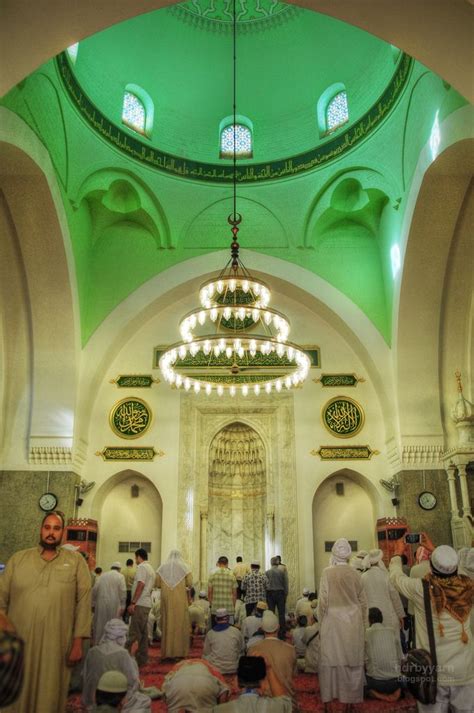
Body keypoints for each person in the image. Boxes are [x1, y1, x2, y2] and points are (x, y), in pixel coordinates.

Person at [0, 511, 91, 713]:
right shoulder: (18, 560)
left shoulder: (76, 562)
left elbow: (84, 604)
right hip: (17, 645)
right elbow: (1, 601)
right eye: (47, 527)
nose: (51, 533)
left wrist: (77, 643)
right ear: (41, 530)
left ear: (63, 532)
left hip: (56, 646)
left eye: (56, 528)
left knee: (48, 696)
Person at [390, 537, 474, 713]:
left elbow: (396, 578)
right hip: (466, 669)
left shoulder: (422, 589)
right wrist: (436, 549)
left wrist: (397, 554)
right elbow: (457, 569)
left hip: (434, 671)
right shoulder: (468, 585)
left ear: (431, 567)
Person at [318, 538, 367, 713]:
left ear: (334, 553)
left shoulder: (327, 573)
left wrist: (320, 622)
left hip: (332, 622)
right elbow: (363, 603)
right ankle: (348, 706)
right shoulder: (356, 574)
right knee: (351, 663)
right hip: (353, 623)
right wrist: (363, 624)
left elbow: (322, 602)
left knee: (330, 662)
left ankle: (328, 706)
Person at [82, 618, 146, 710]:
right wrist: (132, 655)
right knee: (144, 700)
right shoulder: (122, 653)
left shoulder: (92, 651)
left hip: (92, 700)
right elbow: (134, 681)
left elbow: (85, 676)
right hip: (115, 702)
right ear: (120, 637)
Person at [360, 549, 404, 657]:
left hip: (370, 616)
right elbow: (394, 596)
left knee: (373, 643)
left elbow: (361, 599)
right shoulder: (386, 575)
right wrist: (400, 615)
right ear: (380, 562)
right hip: (387, 615)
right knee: (390, 642)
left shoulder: (363, 577)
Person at [211, 655, 292, 712]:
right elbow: (284, 700)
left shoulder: (219, 710)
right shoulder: (277, 707)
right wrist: (269, 668)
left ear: (237, 682)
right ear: (263, 682)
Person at [248, 610, 296, 698]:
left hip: (262, 703)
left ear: (262, 628)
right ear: (278, 627)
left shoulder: (252, 649)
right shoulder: (290, 650)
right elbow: (293, 674)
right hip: (286, 701)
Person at [155, 549, 193, 659]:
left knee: (167, 622)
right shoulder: (184, 567)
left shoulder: (162, 567)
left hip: (166, 598)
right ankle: (179, 652)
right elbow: (190, 583)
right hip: (180, 598)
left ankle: (167, 653)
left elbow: (157, 583)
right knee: (180, 623)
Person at [162, 658, 230, 712]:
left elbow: (164, 690)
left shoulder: (177, 667)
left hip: (178, 685)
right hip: (204, 684)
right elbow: (224, 690)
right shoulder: (211, 667)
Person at [126, 548, 155, 668]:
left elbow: (141, 584)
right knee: (143, 634)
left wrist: (133, 602)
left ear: (139, 557)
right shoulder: (151, 568)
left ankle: (125, 660)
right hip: (146, 603)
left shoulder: (142, 567)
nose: (135, 560)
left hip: (140, 603)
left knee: (133, 633)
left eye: (135, 557)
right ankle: (142, 660)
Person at [364, 607, 401, 700]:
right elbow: (400, 658)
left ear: (369, 620)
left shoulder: (366, 633)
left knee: (356, 680)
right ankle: (398, 692)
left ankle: (379, 695)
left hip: (376, 683)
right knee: (405, 680)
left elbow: (362, 660)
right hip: (395, 682)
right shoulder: (392, 631)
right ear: (381, 619)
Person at [92, 562, 127, 644]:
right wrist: (123, 606)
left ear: (111, 568)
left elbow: (94, 590)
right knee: (113, 626)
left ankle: (98, 646)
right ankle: (112, 647)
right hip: (114, 605)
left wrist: (93, 604)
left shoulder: (102, 576)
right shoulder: (120, 576)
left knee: (100, 626)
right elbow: (123, 592)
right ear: (119, 569)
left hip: (101, 604)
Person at [203, 608, 243, 674]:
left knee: (204, 656)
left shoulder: (210, 633)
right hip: (234, 667)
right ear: (228, 618)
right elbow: (241, 648)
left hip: (216, 668)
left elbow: (206, 652)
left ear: (216, 619)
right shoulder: (236, 631)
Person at [208, 556, 237, 627]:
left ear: (218, 563)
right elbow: (234, 594)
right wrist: (233, 606)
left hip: (215, 608)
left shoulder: (212, 575)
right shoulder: (232, 575)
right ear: (227, 564)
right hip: (228, 609)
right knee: (229, 630)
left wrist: (211, 605)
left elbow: (209, 593)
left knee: (215, 629)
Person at [265, 556, 288, 640]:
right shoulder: (282, 572)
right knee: (281, 614)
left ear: (271, 563)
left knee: (271, 613)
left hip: (270, 594)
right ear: (278, 563)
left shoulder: (267, 572)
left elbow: (265, 585)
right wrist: (285, 595)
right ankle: (282, 633)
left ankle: (272, 632)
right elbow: (286, 584)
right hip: (280, 593)